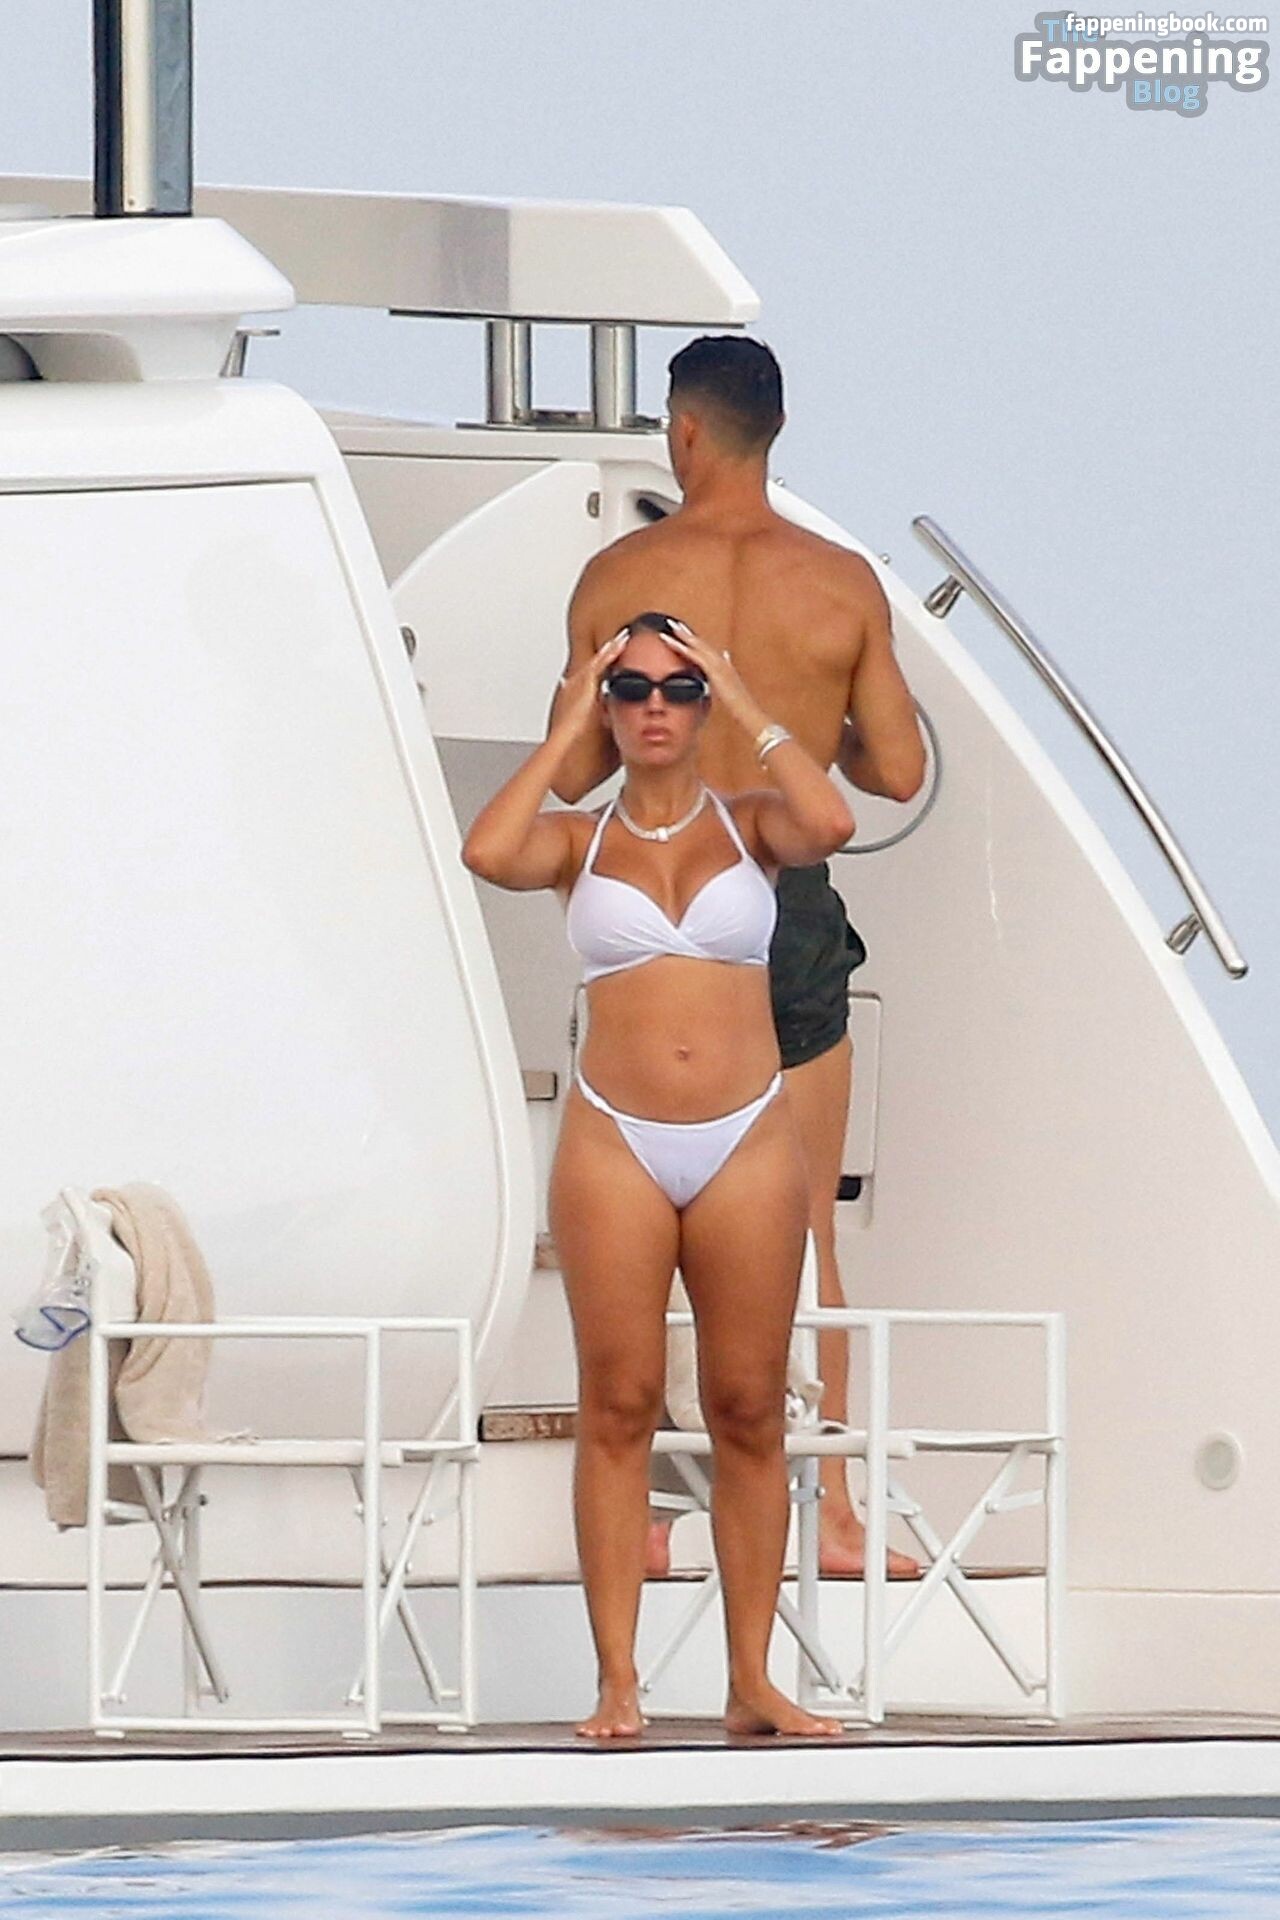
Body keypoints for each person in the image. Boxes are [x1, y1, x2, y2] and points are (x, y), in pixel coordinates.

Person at [548, 335, 928, 1579]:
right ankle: (832, 1512)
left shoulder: (620, 575)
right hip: (782, 901)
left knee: (645, 1232)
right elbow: (896, 770)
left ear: (684, 432)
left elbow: (581, 764)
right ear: (774, 432)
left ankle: (654, 1509)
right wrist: (808, 729)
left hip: (654, 907)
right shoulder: (839, 582)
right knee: (802, 1224)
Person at [462, 611, 853, 1739]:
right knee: (619, 1402)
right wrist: (567, 723)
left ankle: (751, 1680)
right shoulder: (575, 841)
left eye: (677, 690)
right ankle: (617, 1682)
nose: (654, 708)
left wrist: (741, 696)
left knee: (748, 1408)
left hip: (746, 1137)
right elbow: (487, 851)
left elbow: (831, 819)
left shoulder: (753, 822)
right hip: (615, 1139)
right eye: (631, 689)